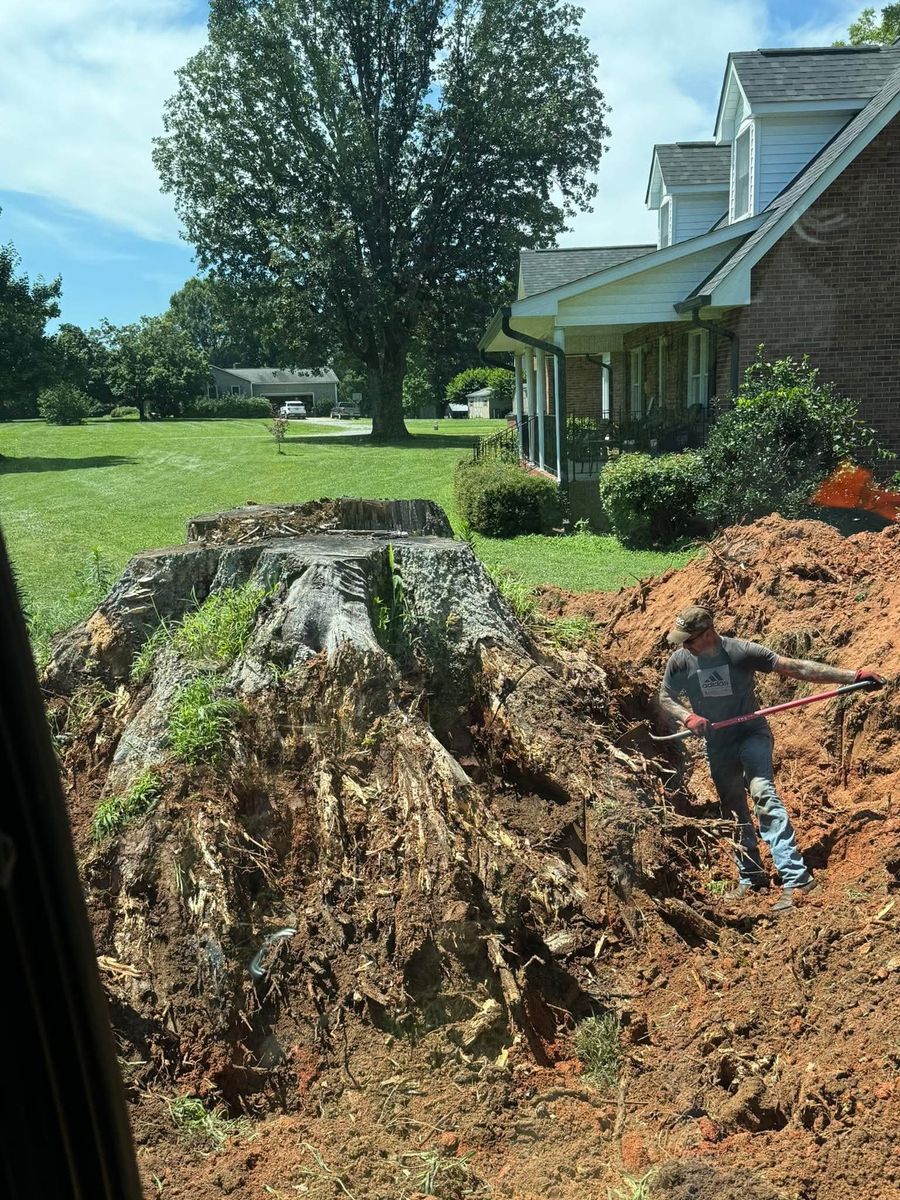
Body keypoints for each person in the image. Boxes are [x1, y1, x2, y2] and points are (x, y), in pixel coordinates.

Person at [658, 605, 885, 912]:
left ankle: (797, 879)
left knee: (763, 793)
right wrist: (687, 716)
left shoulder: (740, 652)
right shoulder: (681, 660)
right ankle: (751, 876)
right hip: (718, 743)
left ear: (708, 634)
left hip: (751, 733)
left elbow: (796, 668)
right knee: (733, 806)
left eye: (689, 640)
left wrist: (852, 676)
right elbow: (665, 697)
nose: (684, 646)